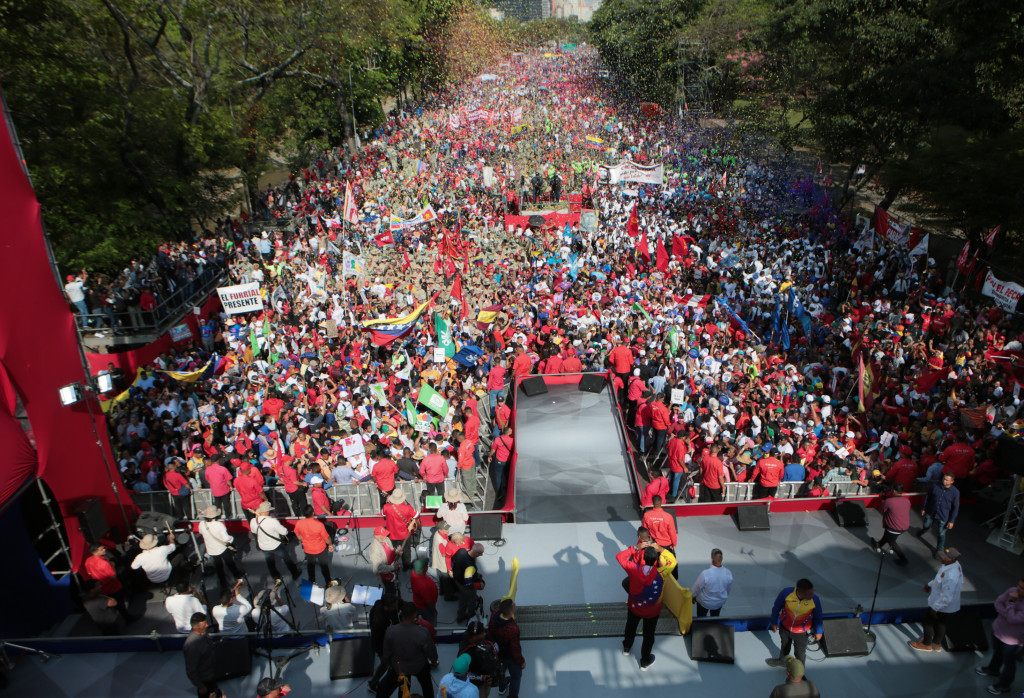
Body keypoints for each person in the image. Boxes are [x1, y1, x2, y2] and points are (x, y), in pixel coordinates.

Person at [616, 542, 663, 670]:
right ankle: (644, 661)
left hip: (635, 607)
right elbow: (672, 561)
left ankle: (626, 647)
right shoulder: (662, 573)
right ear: (656, 560)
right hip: (652, 612)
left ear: (643, 557)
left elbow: (619, 557)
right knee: (649, 636)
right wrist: (662, 549)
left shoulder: (633, 569)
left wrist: (635, 548)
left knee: (631, 626)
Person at [376, 601, 438, 698]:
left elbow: (387, 652)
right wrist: (434, 661)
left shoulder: (391, 631)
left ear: (401, 613)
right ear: (415, 614)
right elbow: (431, 651)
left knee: (403, 689)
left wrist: (388, 663)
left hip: (399, 667)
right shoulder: (422, 632)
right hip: (419, 666)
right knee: (427, 686)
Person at [909, 547, 963, 652]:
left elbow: (947, 595)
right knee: (941, 623)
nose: (942, 558)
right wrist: (930, 585)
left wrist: (936, 607)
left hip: (941, 604)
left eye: (945, 558)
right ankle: (936, 643)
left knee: (927, 622)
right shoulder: (952, 565)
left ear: (951, 559)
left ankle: (927, 644)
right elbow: (939, 579)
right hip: (945, 605)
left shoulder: (951, 575)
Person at [976, 578, 1024, 695]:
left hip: (1012, 640)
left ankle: (1004, 686)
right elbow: (998, 603)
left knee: (1009, 663)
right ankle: (993, 670)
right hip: (998, 631)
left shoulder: (1013, 596)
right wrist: (1008, 613)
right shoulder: (1011, 590)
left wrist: (1011, 603)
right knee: (997, 653)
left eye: (1022, 588)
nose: (1018, 589)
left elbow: (1012, 619)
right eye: (1019, 585)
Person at [769, 578, 824, 666]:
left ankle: (800, 673)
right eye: (809, 594)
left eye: (812, 592)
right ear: (800, 592)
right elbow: (776, 608)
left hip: (801, 632)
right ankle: (782, 661)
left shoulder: (815, 600)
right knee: (785, 646)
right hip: (785, 628)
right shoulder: (786, 593)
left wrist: (819, 632)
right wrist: (774, 621)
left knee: (800, 653)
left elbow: (818, 617)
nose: (812, 595)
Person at [197, 505, 244, 591]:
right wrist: (232, 539)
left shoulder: (202, 524)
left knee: (218, 567)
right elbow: (226, 539)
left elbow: (200, 531)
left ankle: (223, 584)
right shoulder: (219, 525)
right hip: (222, 548)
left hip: (211, 549)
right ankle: (238, 577)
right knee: (230, 563)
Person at [252, 501, 300, 582]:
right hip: (275, 545)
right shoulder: (272, 521)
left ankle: (276, 577)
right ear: (267, 511)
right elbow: (284, 532)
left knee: (270, 563)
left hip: (263, 545)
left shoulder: (253, 521)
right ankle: (295, 573)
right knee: (287, 559)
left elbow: (254, 531)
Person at [916, 472, 960, 558]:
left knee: (941, 533)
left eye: (947, 480)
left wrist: (951, 521)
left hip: (943, 516)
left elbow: (955, 507)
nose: (944, 481)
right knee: (926, 525)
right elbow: (928, 496)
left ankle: (939, 549)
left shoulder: (955, 492)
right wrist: (924, 508)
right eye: (944, 479)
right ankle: (924, 530)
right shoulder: (935, 485)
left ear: (952, 482)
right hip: (931, 512)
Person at [488, 598, 525, 698]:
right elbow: (515, 650)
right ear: (511, 611)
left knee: (501, 672)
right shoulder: (513, 629)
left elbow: (489, 630)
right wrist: (521, 661)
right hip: (509, 657)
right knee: (516, 676)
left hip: (497, 654)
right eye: (514, 605)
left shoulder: (495, 613)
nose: (515, 604)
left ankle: (502, 688)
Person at [459, 620, 502, 697]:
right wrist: (480, 677)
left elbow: (496, 649)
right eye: (482, 633)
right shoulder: (464, 652)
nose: (485, 634)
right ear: (475, 636)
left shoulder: (486, 637)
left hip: (486, 680)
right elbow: (462, 673)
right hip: (474, 685)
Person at [368, 593, 400, 693]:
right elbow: (377, 640)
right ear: (387, 607)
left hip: (387, 640)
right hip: (382, 645)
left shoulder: (381, 604)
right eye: (394, 606)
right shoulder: (379, 621)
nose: (396, 607)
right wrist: (382, 655)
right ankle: (373, 683)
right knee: (385, 664)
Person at [183, 612, 221, 698]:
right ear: (196, 627)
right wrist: (200, 686)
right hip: (205, 680)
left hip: (211, 674)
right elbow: (191, 670)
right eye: (204, 624)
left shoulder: (203, 633)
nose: (207, 625)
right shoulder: (191, 645)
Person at [293, 505, 332, 587]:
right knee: (324, 567)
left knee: (311, 566)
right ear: (313, 513)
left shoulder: (299, 523)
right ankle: (328, 583)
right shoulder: (319, 525)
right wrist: (330, 544)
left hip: (308, 549)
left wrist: (304, 540)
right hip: (320, 549)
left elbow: (298, 535)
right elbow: (326, 538)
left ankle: (311, 582)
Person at [872, 484, 911, 565]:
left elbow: (882, 510)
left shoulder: (889, 501)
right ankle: (878, 544)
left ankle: (903, 559)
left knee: (892, 542)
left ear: (895, 491)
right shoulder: (907, 501)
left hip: (893, 527)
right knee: (887, 535)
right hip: (904, 526)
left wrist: (883, 501)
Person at [641, 495, 677, 578]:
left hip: (654, 545)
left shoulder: (647, 515)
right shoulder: (668, 517)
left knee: (656, 564)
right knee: (669, 563)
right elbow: (672, 532)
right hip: (667, 546)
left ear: (653, 503)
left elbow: (644, 531)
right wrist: (674, 543)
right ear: (661, 502)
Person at [383, 489, 420, 568]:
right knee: (406, 550)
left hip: (391, 534)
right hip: (405, 534)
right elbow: (417, 515)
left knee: (392, 550)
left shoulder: (386, 507)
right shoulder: (408, 508)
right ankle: (406, 565)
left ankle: (393, 565)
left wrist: (388, 502)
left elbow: (383, 513)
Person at [691, 548, 733, 617]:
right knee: (715, 617)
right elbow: (728, 590)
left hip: (705, 603)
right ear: (721, 559)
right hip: (719, 603)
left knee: (701, 618)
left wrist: (692, 597)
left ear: (712, 559)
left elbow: (696, 588)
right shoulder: (728, 573)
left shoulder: (705, 574)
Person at [452, 542, 486, 624]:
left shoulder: (461, 551)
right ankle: (471, 617)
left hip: (457, 580)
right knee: (471, 602)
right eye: (480, 554)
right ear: (477, 553)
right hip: (465, 586)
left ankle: (460, 617)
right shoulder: (470, 567)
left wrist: (475, 574)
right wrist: (480, 585)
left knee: (462, 599)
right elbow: (468, 584)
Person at [369, 525, 401, 597]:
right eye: (383, 535)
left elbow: (391, 549)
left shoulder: (385, 539)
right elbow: (379, 567)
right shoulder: (375, 550)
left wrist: (396, 551)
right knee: (390, 589)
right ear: (376, 536)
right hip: (386, 573)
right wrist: (392, 568)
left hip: (392, 565)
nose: (385, 536)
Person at [411, 558, 439, 626]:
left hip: (418, 603)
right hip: (426, 609)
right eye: (426, 565)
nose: (427, 567)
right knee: (430, 623)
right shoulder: (423, 586)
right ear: (422, 570)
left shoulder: (414, 573)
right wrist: (434, 612)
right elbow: (428, 602)